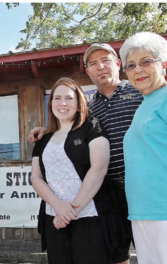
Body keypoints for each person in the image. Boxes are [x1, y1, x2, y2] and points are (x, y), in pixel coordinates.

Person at [28, 43, 141, 264]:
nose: (100, 67)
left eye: (106, 60)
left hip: (145, 186)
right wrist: (45, 130)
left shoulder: (140, 92)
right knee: (118, 254)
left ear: (118, 64)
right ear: (88, 72)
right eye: (93, 64)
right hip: (109, 191)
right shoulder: (90, 109)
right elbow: (66, 121)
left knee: (156, 250)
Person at [119, 32, 167, 264]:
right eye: (130, 65)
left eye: (146, 61)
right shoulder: (146, 104)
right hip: (142, 211)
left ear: (164, 64)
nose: (138, 69)